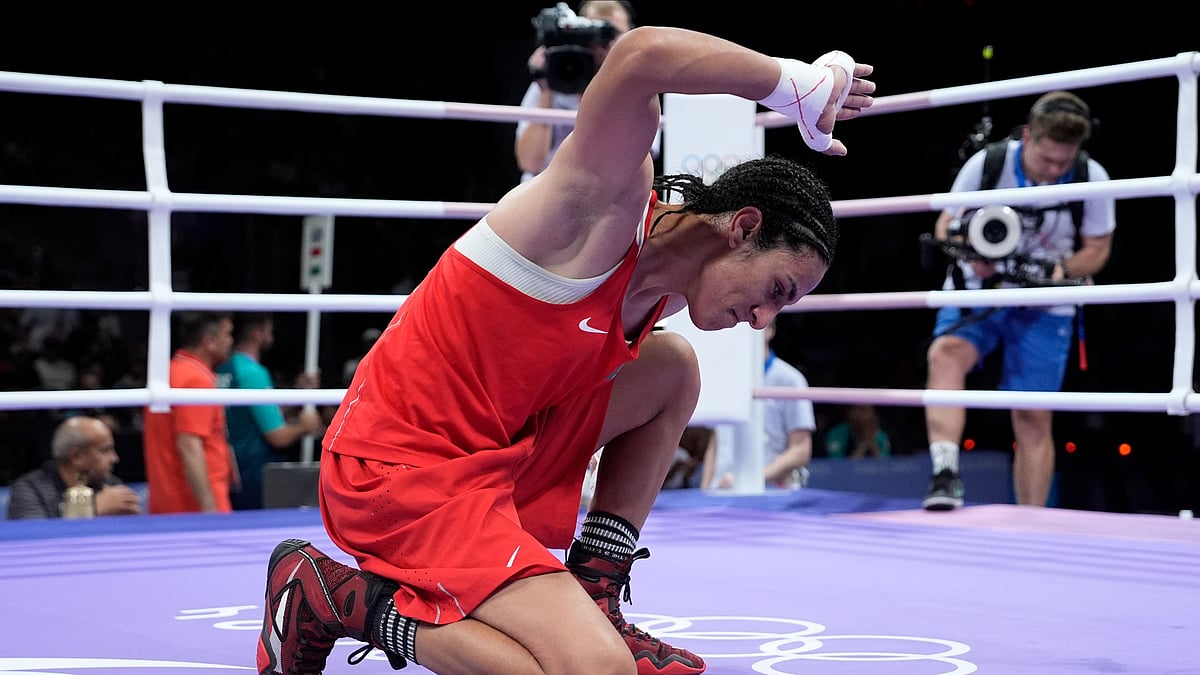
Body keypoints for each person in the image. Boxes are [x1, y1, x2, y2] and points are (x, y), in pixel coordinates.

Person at [258, 24, 873, 675]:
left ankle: (595, 590)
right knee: (593, 670)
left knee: (673, 368)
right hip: (397, 468)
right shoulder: (606, 204)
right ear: (742, 226)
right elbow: (641, 56)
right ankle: (332, 595)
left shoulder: (665, 286)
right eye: (777, 289)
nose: (763, 318)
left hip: (493, 454)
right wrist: (795, 83)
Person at [922, 91, 1115, 511]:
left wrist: (1058, 272)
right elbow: (944, 225)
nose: (1053, 171)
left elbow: (1097, 248)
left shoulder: (1090, 175)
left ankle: (1032, 519)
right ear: (1028, 137)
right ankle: (945, 475)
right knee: (945, 356)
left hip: (1046, 304)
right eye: (1047, 160)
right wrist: (974, 251)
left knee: (1032, 415)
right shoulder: (988, 164)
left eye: (1063, 163)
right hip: (978, 290)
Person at [514, 1, 660, 183]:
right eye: (595, 32)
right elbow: (530, 162)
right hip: (545, 194)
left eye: (613, 34)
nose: (605, 44)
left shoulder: (637, 90)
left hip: (605, 196)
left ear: (631, 34)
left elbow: (633, 165)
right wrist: (548, 85)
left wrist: (599, 92)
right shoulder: (548, 84)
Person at [217, 313, 323, 510]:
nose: (272, 337)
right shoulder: (253, 373)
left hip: (233, 469)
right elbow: (277, 436)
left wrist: (297, 393)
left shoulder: (225, 369)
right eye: (269, 331)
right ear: (258, 334)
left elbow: (254, 414)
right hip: (255, 472)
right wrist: (304, 426)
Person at [701, 319, 817, 490]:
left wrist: (750, 480)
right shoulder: (723, 378)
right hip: (720, 492)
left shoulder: (790, 380)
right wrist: (705, 491)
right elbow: (717, 441)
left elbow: (800, 450)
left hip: (769, 492)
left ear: (770, 330)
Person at [142, 311, 236, 514]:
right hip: (192, 506)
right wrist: (209, 507)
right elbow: (189, 446)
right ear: (209, 341)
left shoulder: (169, 371)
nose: (231, 341)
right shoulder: (195, 380)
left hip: (167, 500)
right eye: (227, 335)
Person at [6, 415, 143, 519]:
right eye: (105, 451)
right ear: (77, 456)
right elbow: (33, 543)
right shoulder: (30, 490)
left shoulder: (111, 485)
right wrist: (92, 509)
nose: (115, 458)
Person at [824, 403, 891, 459]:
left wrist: (871, 441)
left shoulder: (880, 435)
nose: (860, 415)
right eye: (858, 409)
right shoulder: (837, 434)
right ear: (849, 413)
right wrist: (864, 444)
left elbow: (885, 467)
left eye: (865, 410)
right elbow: (838, 468)